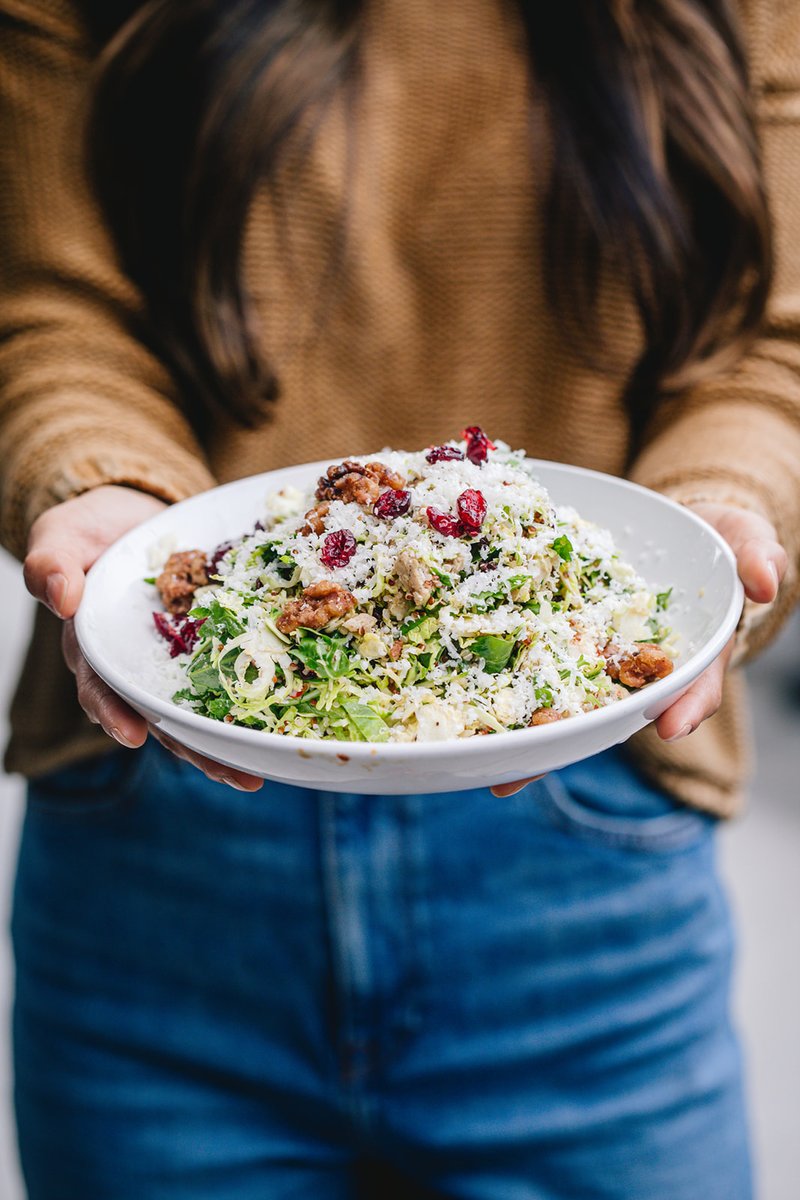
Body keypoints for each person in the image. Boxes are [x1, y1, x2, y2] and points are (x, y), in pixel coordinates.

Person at [1, 0, 798, 1196]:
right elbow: (45, 309)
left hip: (589, 852)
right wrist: (107, 491)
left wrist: (714, 516)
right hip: (155, 849)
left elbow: (765, 340)